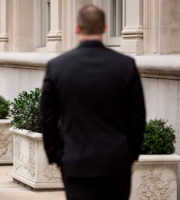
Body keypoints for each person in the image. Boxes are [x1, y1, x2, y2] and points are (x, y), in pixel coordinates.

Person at [40, 5, 145, 200]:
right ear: (105, 28)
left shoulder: (57, 67)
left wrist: (56, 155)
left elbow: (47, 118)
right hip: (116, 162)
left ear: (77, 29)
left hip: (75, 162)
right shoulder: (125, 65)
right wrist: (130, 154)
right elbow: (137, 118)